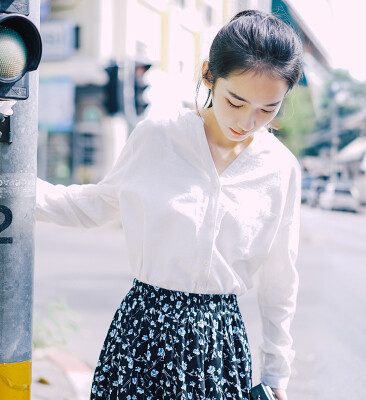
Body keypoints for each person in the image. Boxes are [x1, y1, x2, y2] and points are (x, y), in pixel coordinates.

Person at [36, 9, 303, 400]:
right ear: (209, 75)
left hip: (219, 348)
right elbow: (97, 204)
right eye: (235, 100)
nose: (247, 121)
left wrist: (277, 371)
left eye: (268, 109)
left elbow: (281, 278)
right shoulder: (159, 136)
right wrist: (16, 188)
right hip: (142, 335)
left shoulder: (280, 169)